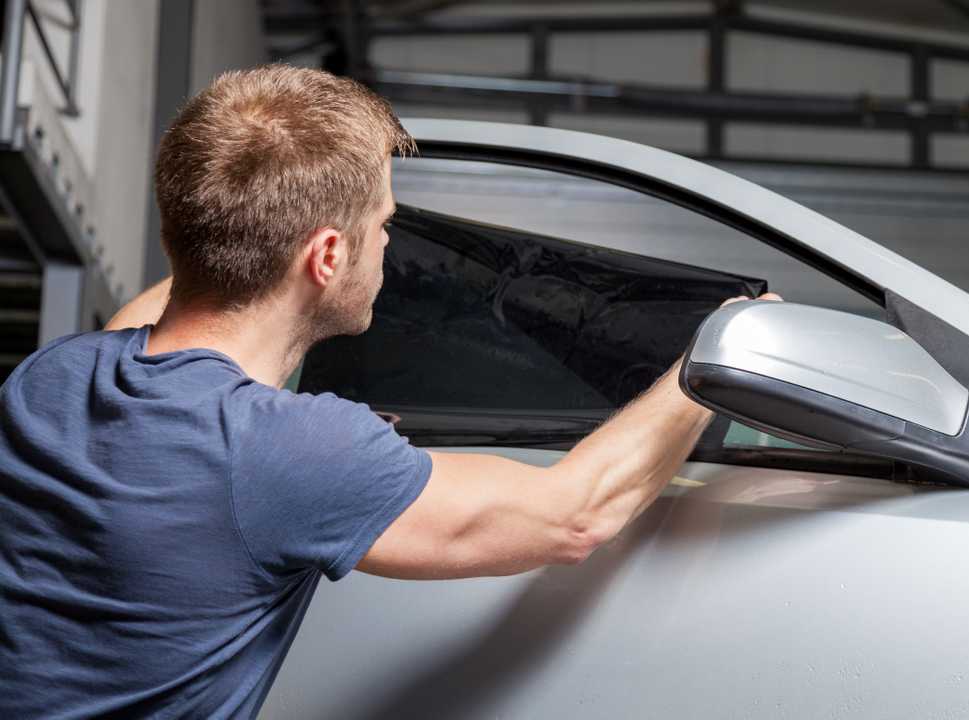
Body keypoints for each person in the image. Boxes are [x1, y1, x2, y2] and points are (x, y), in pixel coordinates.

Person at [0, 65, 779, 718]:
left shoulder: (51, 380)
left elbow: (183, 296)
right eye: (384, 224)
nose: (391, 242)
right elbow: (571, 516)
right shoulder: (287, 448)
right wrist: (719, 353)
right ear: (327, 254)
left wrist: (255, 215)